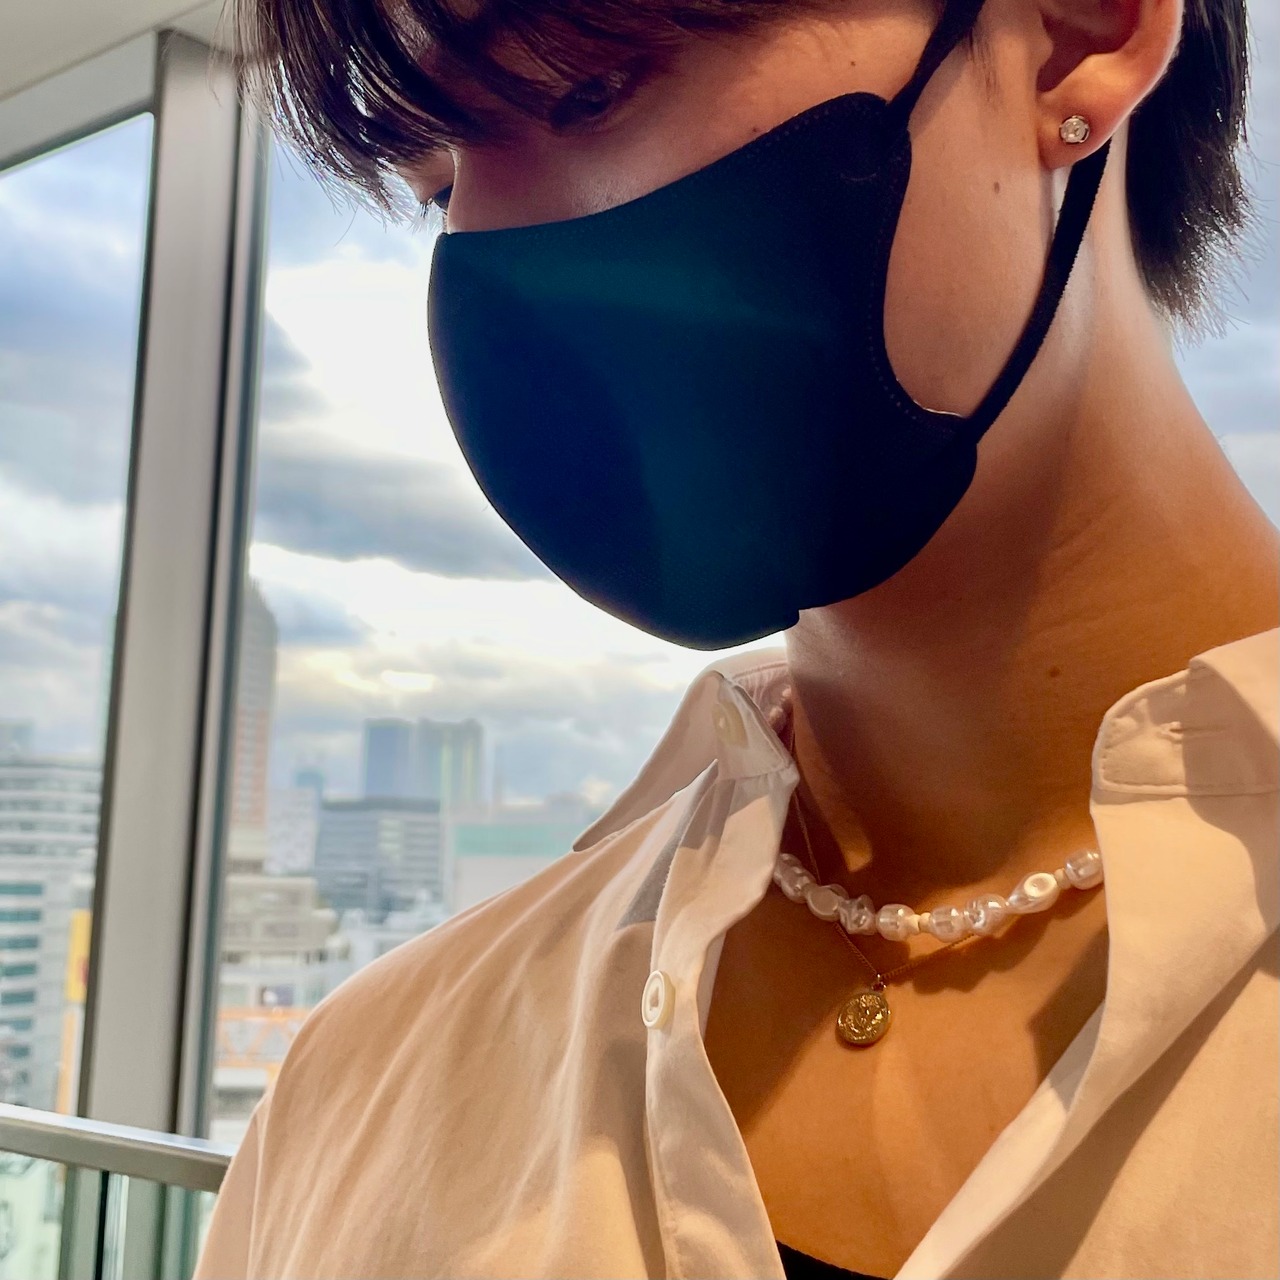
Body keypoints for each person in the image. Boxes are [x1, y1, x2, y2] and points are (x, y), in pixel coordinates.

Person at [195, 0, 1278, 1275]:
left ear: (1070, 33)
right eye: (435, 183)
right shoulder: (364, 1094)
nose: (488, 254)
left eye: (588, 88)